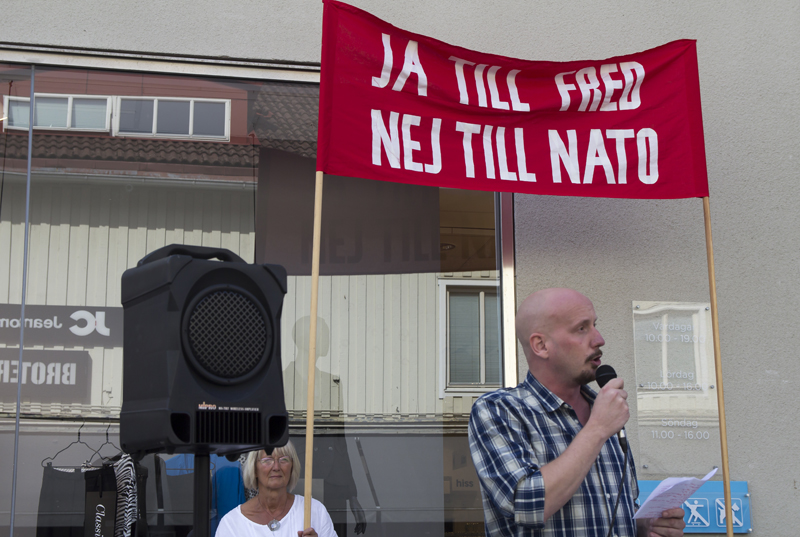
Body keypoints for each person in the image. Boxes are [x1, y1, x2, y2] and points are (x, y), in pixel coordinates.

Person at [468, 288, 686, 537]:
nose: (599, 339)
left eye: (594, 325)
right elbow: (527, 505)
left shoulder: (601, 411)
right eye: (582, 328)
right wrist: (597, 429)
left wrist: (643, 527)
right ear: (541, 345)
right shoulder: (500, 410)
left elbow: (613, 511)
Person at [216, 440, 336, 537]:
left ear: (292, 467)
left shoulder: (314, 511)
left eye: (284, 459)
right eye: (267, 460)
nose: (276, 467)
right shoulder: (232, 523)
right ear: (254, 469)